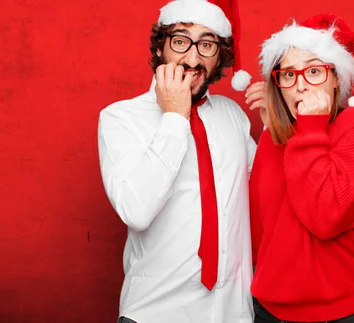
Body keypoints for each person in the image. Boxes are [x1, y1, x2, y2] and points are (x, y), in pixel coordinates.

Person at [97, 0, 256, 322]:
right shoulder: (120, 118)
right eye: (181, 41)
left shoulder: (233, 116)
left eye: (207, 45)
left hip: (233, 313)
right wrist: (174, 117)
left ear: (219, 57)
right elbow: (136, 212)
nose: (193, 58)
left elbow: (268, 192)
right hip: (155, 312)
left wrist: (279, 117)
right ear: (160, 49)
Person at [245, 13, 354, 323]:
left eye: (315, 71)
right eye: (289, 75)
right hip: (266, 310)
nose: (301, 86)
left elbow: (325, 218)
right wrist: (275, 129)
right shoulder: (277, 136)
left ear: (337, 80)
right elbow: (262, 228)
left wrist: (310, 128)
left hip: (337, 314)